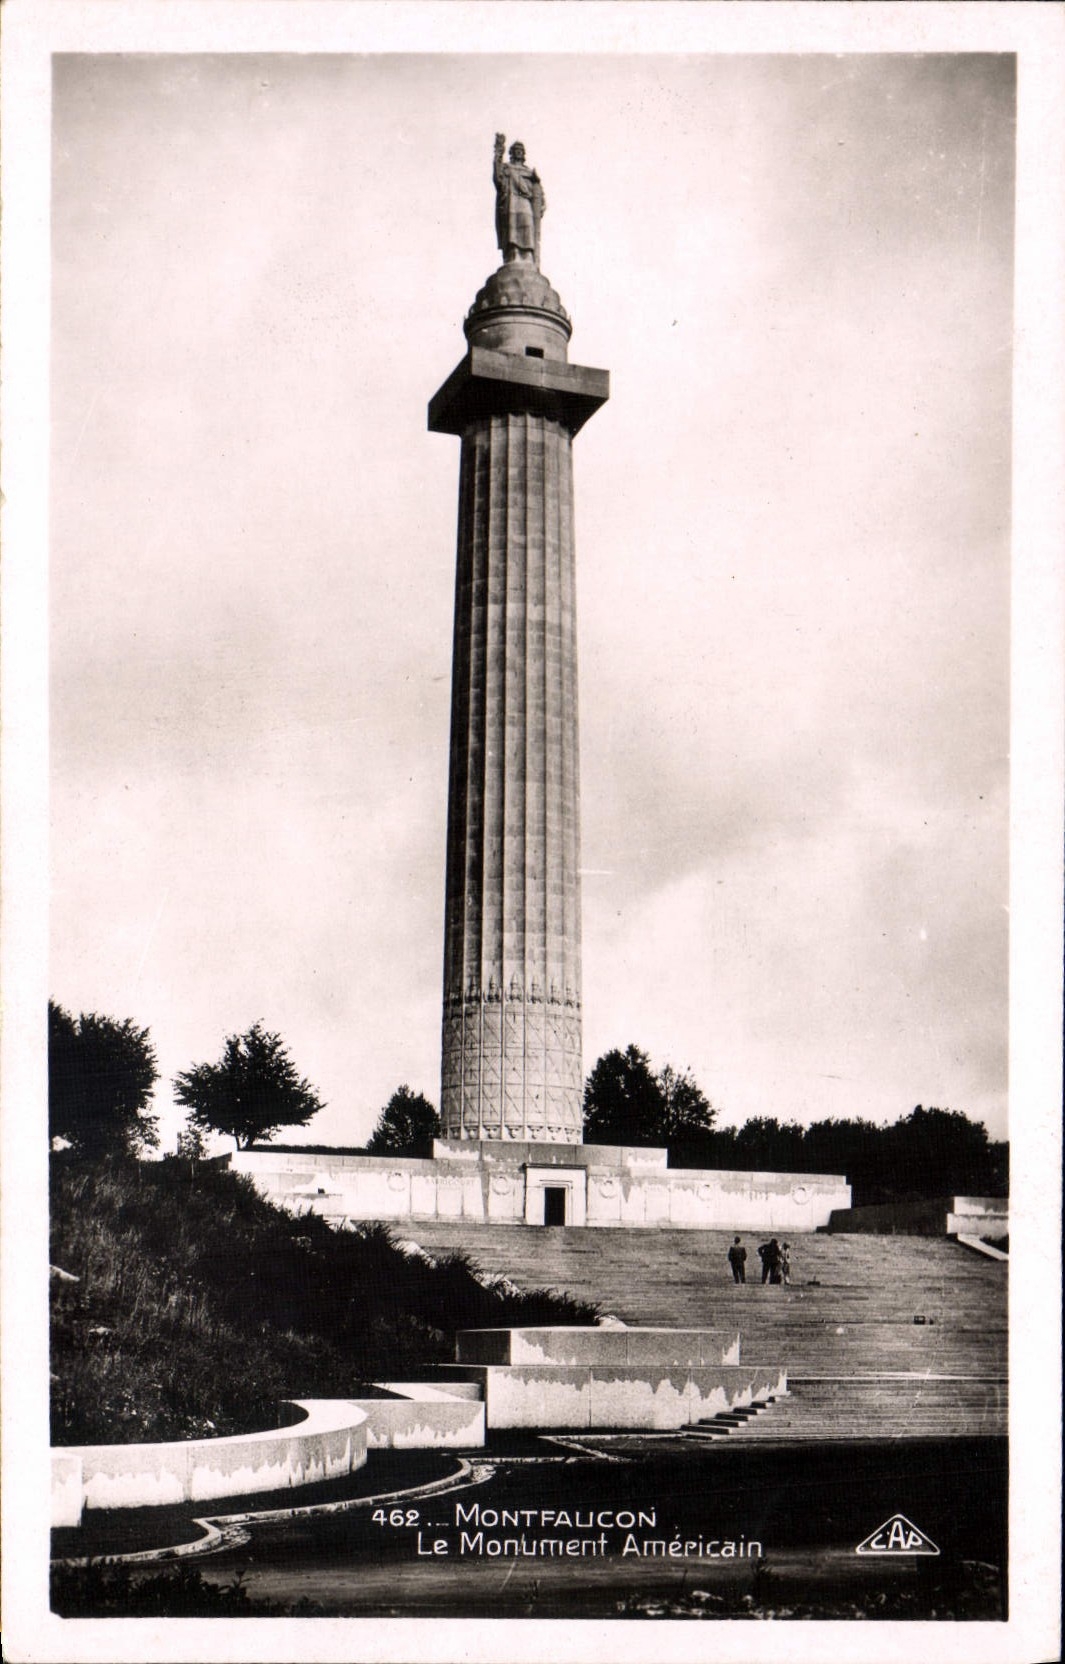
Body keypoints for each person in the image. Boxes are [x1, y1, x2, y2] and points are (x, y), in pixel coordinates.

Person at [493, 134, 546, 264]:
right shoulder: (507, 168)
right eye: (516, 150)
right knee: (512, 227)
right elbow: (498, 180)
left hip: (525, 203)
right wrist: (498, 154)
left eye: (521, 150)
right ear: (511, 152)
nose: (519, 152)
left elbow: (538, 194)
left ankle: (527, 256)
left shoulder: (529, 172)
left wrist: (538, 188)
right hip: (511, 201)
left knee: (527, 226)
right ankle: (513, 255)